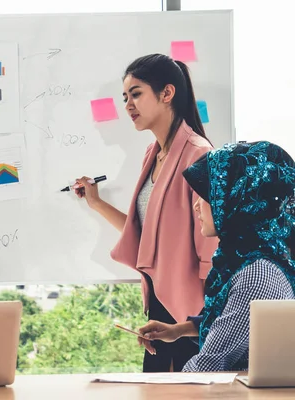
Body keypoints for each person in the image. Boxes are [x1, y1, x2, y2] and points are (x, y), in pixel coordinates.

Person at [75, 54, 218, 372]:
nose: (128, 105)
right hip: (158, 302)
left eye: (136, 93)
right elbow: (143, 237)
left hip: (190, 309)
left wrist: (207, 318)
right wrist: (97, 203)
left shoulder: (199, 155)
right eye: (125, 97)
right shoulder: (152, 155)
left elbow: (210, 248)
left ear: (167, 93)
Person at [138, 141, 295, 371]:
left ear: (237, 200)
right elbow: (236, 319)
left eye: (207, 196)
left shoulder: (256, 274)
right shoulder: (248, 259)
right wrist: (178, 330)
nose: (196, 207)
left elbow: (207, 366)